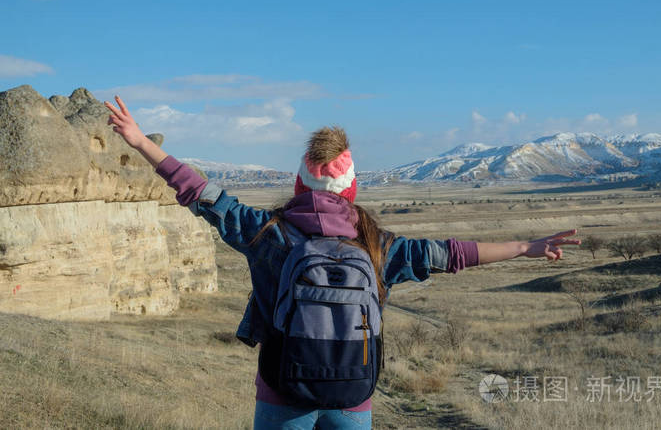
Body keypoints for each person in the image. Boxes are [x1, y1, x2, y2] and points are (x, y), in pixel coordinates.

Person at [105, 95, 581, 429]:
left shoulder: (267, 233)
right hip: (355, 393)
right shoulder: (378, 244)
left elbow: (202, 192)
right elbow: (452, 254)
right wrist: (526, 247)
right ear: (351, 189)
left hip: (282, 390)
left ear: (299, 185)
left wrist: (142, 142)